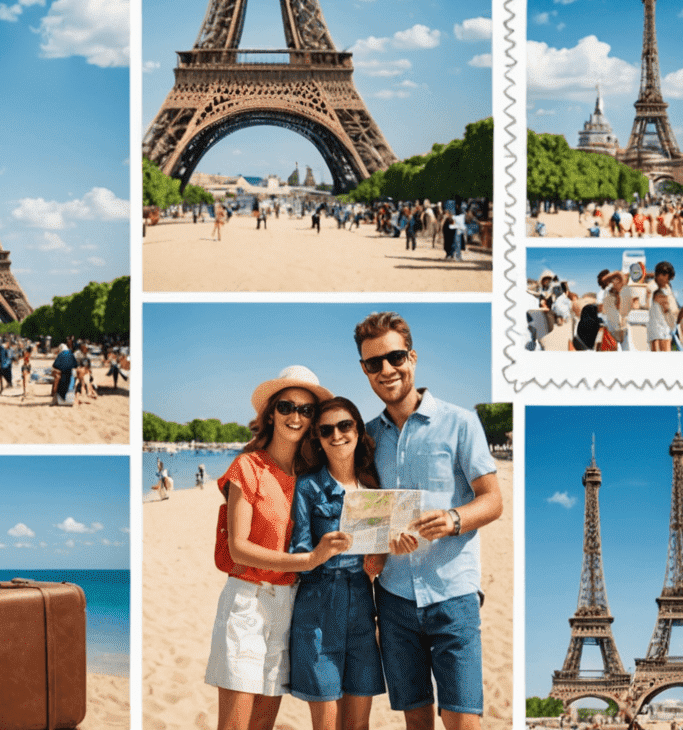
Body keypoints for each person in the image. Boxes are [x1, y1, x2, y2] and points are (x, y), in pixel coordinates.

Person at [357, 312, 502, 730]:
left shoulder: (460, 422)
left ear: (412, 357)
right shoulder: (366, 437)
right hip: (395, 599)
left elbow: (493, 501)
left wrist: (455, 518)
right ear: (364, 370)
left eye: (395, 357)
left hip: (453, 595)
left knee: (464, 722)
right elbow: (371, 517)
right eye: (373, 363)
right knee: (415, 723)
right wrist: (381, 544)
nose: (386, 370)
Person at [205, 367, 351, 730]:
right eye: (287, 406)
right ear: (271, 412)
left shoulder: (311, 477)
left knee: (263, 724)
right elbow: (239, 548)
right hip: (247, 604)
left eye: (305, 410)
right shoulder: (247, 467)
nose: (295, 416)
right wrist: (309, 559)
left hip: (290, 606)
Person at [288, 396, 388, 730]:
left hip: (361, 605)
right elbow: (298, 555)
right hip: (318, 606)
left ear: (358, 430)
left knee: (359, 725)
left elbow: (377, 559)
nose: (336, 435)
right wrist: (319, 553)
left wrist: (381, 558)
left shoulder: (373, 487)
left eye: (345, 425)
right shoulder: (308, 486)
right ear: (316, 437)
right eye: (326, 429)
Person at [646, 262, 678, 352]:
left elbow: (674, 309)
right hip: (655, 327)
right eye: (661, 274)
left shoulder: (667, 288)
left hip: (666, 326)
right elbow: (647, 305)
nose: (666, 280)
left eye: (667, 277)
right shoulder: (651, 287)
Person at [52, 340, 78, 406]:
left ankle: (56, 397)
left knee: (57, 378)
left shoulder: (60, 354)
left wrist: (61, 368)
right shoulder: (71, 354)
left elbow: (55, 365)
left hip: (63, 375)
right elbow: (75, 365)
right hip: (70, 375)